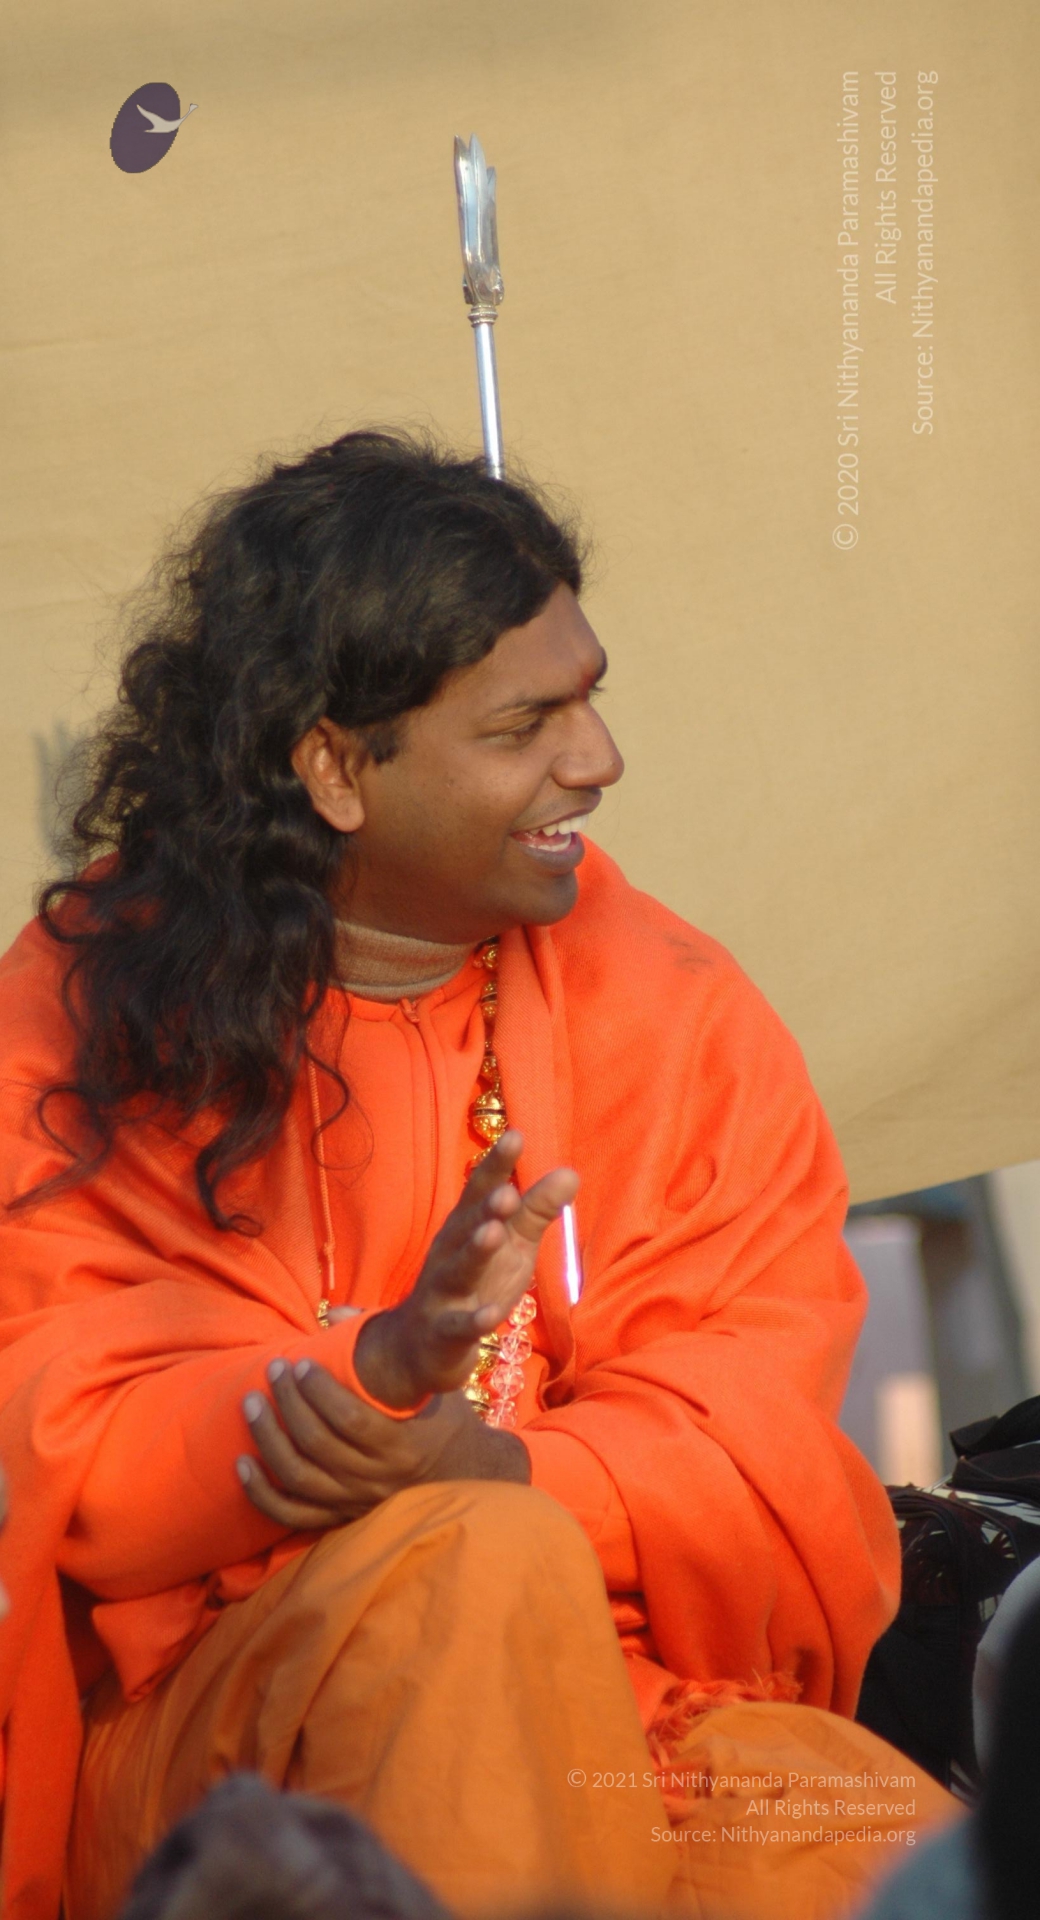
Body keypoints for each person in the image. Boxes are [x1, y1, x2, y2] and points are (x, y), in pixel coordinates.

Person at [0, 430, 955, 1920]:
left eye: (591, 696)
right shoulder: (89, 1011)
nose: (599, 761)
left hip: (636, 1714)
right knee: (475, 1576)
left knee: (893, 1859)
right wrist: (376, 1380)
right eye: (525, 726)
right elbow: (71, 1442)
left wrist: (505, 1466)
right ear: (334, 767)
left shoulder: (676, 1008)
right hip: (233, 1725)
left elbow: (765, 1450)